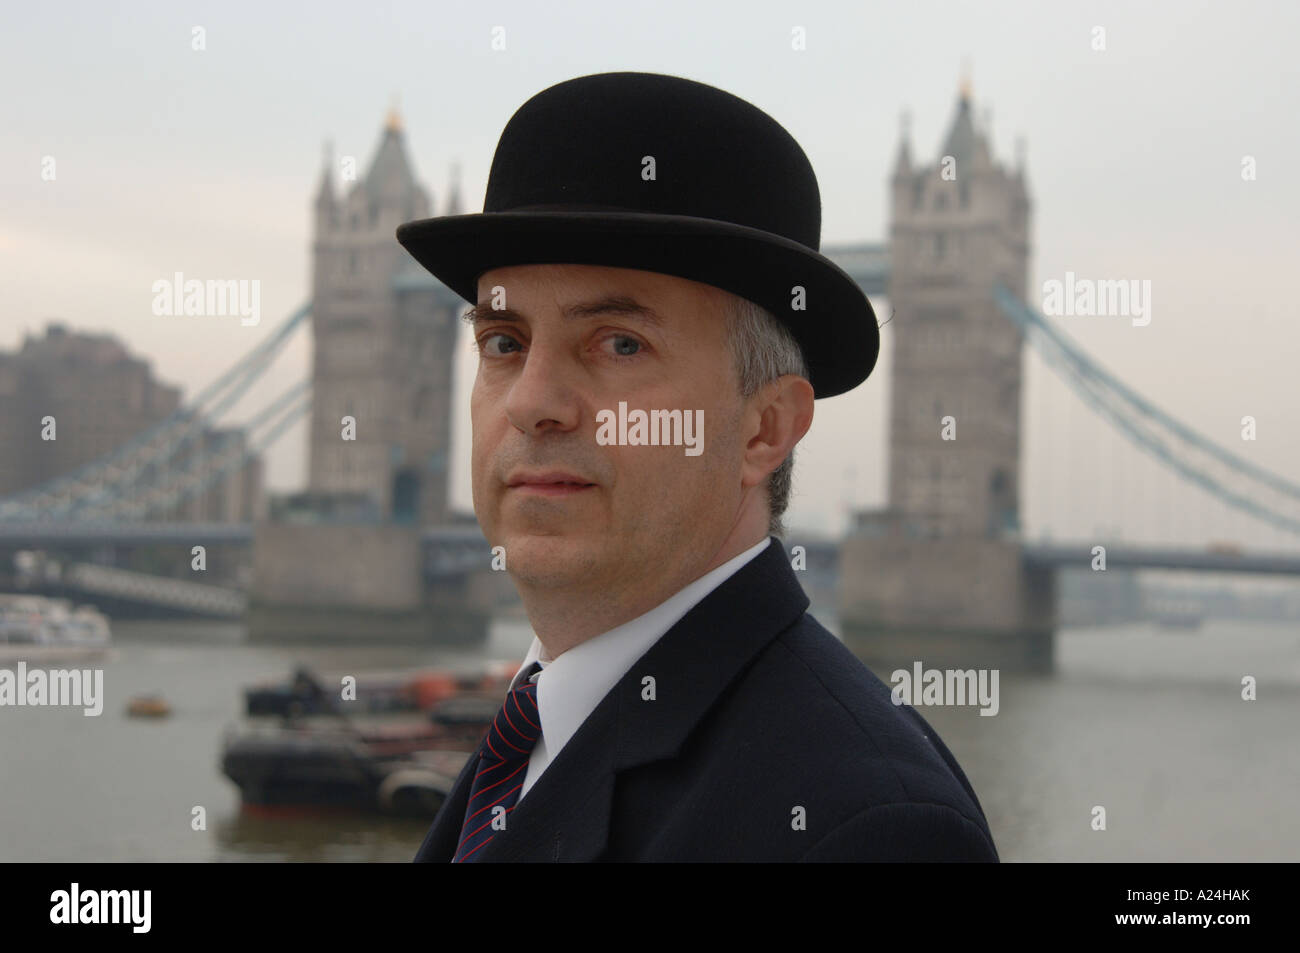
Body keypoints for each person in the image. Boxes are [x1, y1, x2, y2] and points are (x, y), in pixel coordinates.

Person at [396, 71, 997, 862]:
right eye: (503, 342)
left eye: (618, 344)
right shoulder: (530, 735)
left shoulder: (869, 827)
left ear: (765, 427)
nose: (533, 402)